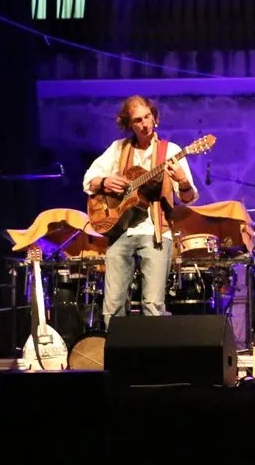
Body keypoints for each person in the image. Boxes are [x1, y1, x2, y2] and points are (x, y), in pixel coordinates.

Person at [83, 95, 198, 326]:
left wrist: (183, 181)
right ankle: (116, 358)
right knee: (113, 304)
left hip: (156, 231)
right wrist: (104, 182)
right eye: (138, 120)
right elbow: (88, 181)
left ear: (155, 119)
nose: (145, 124)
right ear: (129, 124)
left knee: (153, 304)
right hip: (120, 230)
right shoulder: (118, 149)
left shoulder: (170, 151)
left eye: (148, 117)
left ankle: (152, 359)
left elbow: (188, 198)